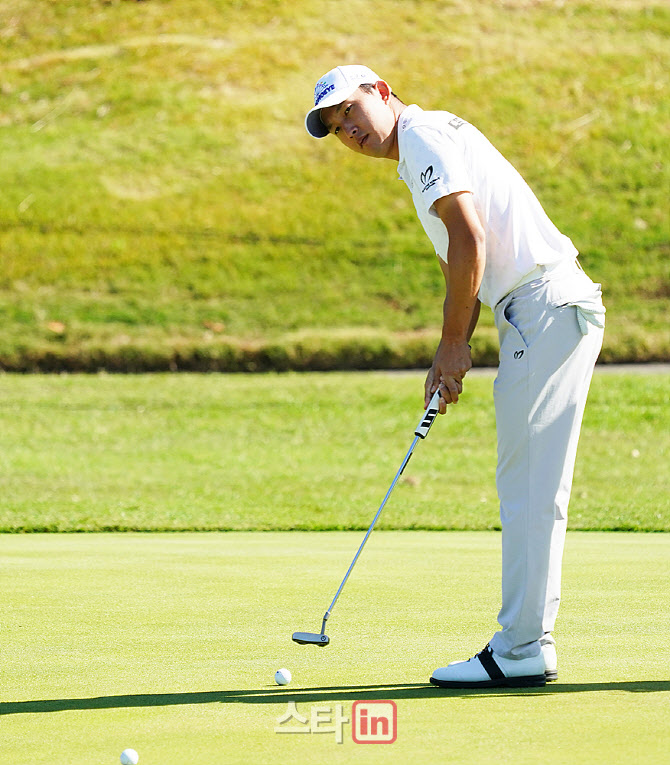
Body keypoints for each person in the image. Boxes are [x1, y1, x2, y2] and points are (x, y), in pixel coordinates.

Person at [304, 65, 605, 688]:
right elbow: (459, 265)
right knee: (530, 484)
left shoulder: (421, 138)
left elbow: (470, 237)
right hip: (540, 309)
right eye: (335, 128)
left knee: (528, 486)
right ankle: (529, 642)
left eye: (350, 110)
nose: (349, 131)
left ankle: (521, 647)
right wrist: (453, 350)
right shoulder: (426, 143)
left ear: (382, 92)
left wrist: (449, 346)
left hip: (542, 305)